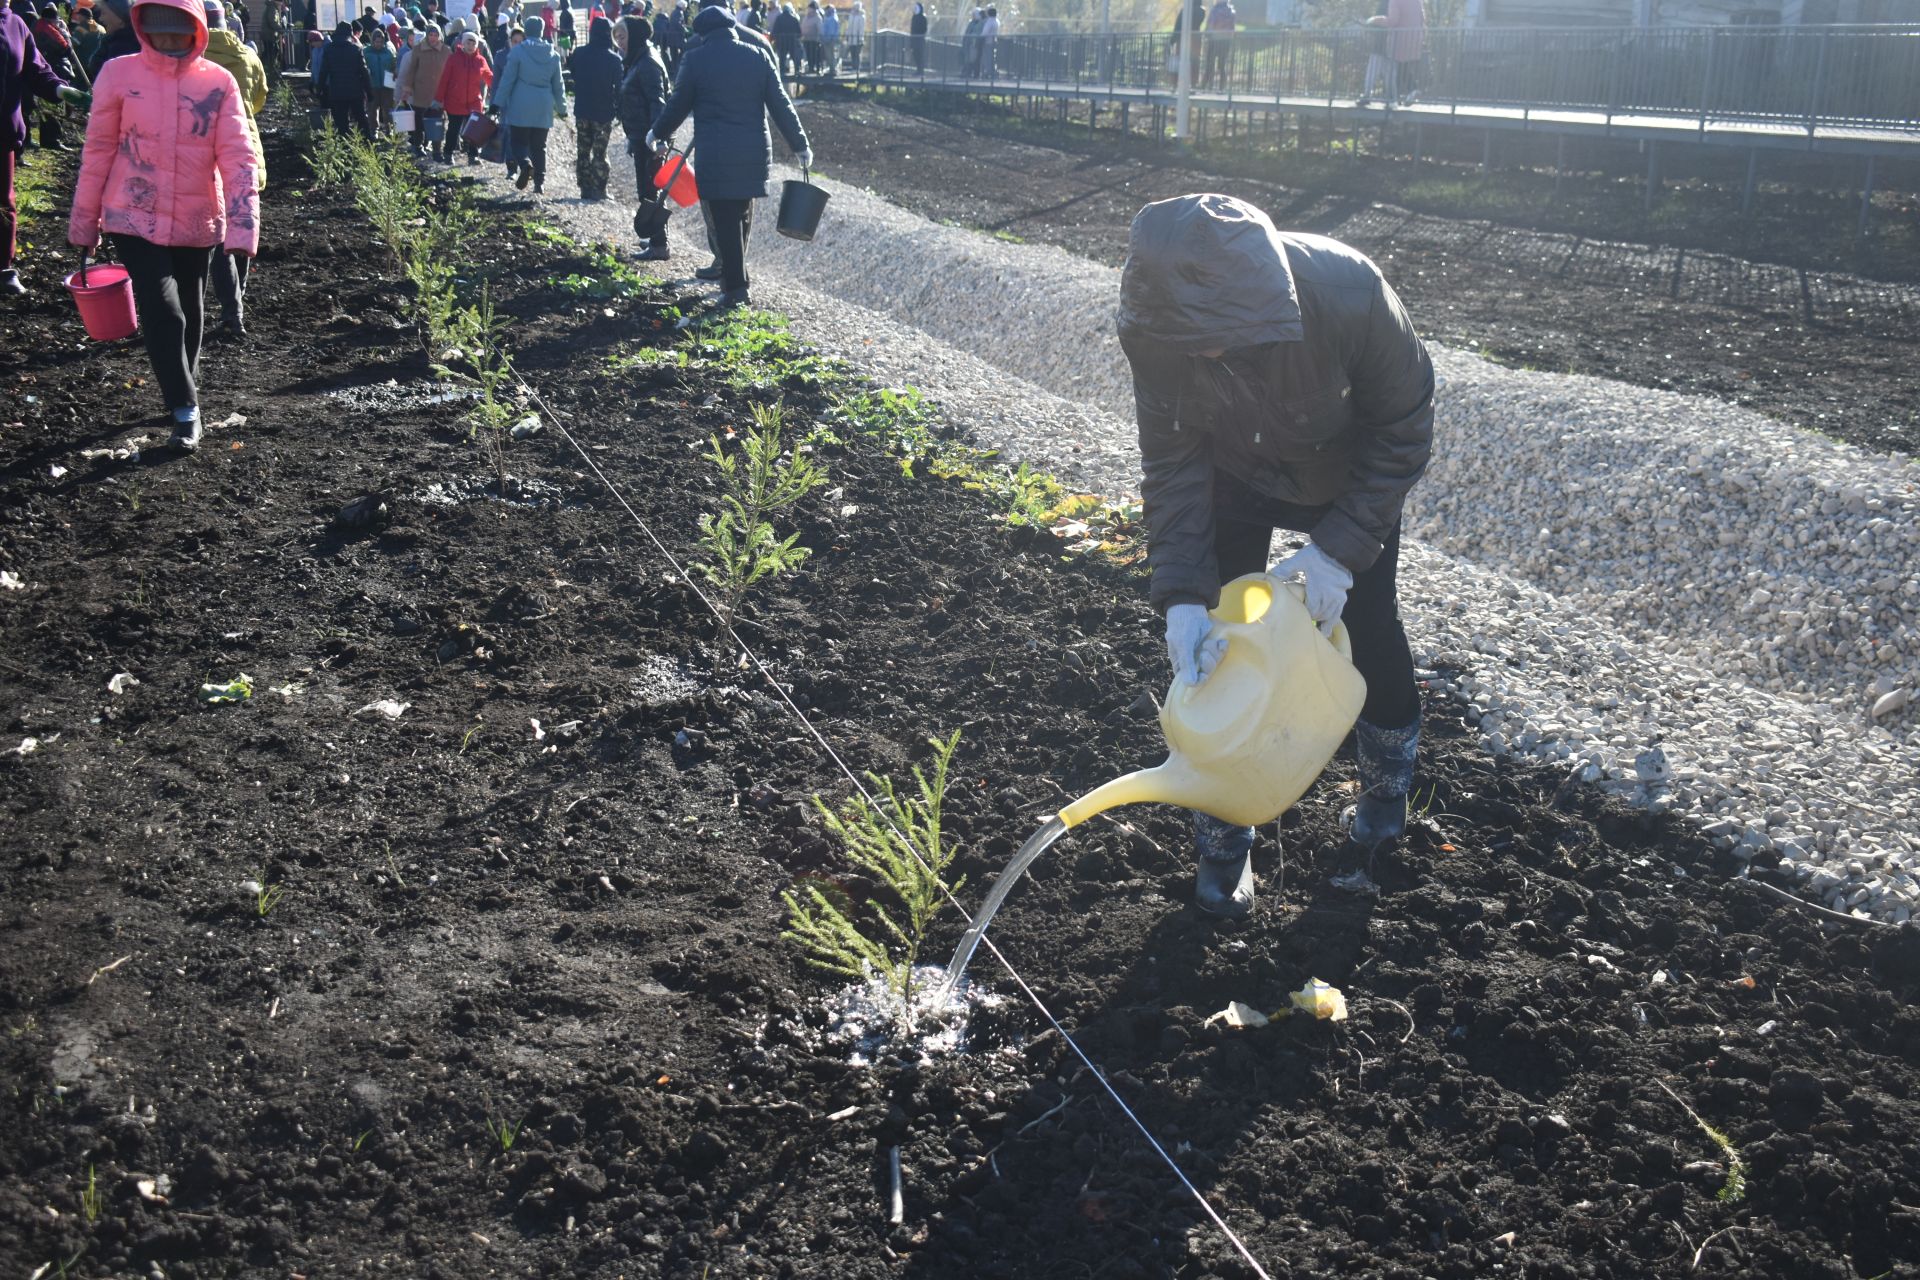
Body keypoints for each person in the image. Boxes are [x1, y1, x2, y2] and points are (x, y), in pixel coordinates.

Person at [1117, 193, 1432, 916]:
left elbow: (1404, 433)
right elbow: (1172, 463)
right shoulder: (1155, 325)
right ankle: (1224, 837)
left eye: (1217, 340)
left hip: (1346, 478)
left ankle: (1386, 791)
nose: (1204, 356)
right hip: (1234, 476)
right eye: (1189, 344)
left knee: (1373, 629)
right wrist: (1184, 599)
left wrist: (1337, 554)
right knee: (1221, 652)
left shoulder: (1349, 296)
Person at [69, 0, 259, 447]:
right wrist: (86, 221)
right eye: (161, 34)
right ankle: (185, 408)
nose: (171, 43)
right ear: (144, 30)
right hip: (131, 211)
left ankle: (180, 386)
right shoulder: (119, 74)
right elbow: (97, 150)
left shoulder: (218, 82)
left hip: (196, 217)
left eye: (180, 34)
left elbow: (238, 158)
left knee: (190, 311)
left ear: (197, 31)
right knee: (162, 308)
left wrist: (243, 224)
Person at [645, 0, 806, 309]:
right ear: (732, 28)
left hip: (717, 154)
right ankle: (737, 278)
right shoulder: (757, 55)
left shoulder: (695, 60)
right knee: (741, 215)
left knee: (725, 220)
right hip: (754, 154)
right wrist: (801, 145)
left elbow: (677, 105)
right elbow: (781, 104)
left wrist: (656, 132)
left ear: (703, 33)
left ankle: (735, 290)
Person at [3, 5, 87, 294]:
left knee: (4, 204)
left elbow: (36, 70)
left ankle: (4, 269)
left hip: (3, 133)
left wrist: (61, 90)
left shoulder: (16, 25)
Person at [200, 0, 262, 337]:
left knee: (219, 236)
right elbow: (260, 96)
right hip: (245, 143)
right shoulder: (246, 55)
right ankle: (238, 297)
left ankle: (231, 307)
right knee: (242, 223)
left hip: (207, 153)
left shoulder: (194, 60)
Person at [493, 14, 564, 192]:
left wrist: (497, 103)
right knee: (539, 146)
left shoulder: (518, 52)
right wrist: (562, 109)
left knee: (518, 142)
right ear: (541, 31)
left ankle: (525, 165)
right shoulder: (553, 54)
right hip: (543, 106)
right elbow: (558, 85)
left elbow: (507, 80)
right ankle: (539, 183)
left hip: (520, 104)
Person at [616, 11, 665, 257]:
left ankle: (659, 244)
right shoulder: (636, 59)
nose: (619, 42)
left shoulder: (647, 63)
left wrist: (659, 138)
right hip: (640, 135)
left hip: (650, 138)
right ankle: (656, 239)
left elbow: (657, 102)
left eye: (622, 36)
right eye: (617, 37)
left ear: (634, 36)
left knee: (650, 189)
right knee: (647, 189)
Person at [566, 15, 620, 200]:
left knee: (583, 150)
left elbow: (571, 71)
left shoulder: (579, 53)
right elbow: (619, 87)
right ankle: (600, 188)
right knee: (600, 152)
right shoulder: (614, 59)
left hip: (582, 109)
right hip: (603, 112)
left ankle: (585, 188)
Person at [29, 2, 85, 149]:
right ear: (53, 18)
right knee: (55, 106)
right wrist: (65, 33)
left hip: (46, 68)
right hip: (55, 69)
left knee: (48, 106)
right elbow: (66, 49)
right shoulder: (49, 30)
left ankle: (49, 138)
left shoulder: (37, 26)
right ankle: (52, 140)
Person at [433, 27, 487, 160]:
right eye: (468, 43)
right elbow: (444, 79)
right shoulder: (453, 59)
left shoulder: (480, 60)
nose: (471, 46)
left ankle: (473, 155)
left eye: (473, 43)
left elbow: (488, 76)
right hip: (455, 101)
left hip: (474, 101)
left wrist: (498, 90)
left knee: (473, 130)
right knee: (453, 129)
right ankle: (448, 153)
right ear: (463, 43)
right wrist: (438, 99)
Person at [314, 20, 371, 135]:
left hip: (337, 90)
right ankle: (367, 145)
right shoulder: (356, 49)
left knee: (341, 122)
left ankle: (344, 146)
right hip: (355, 90)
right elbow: (364, 71)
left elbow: (323, 71)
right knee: (361, 119)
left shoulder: (329, 49)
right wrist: (369, 91)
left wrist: (319, 89)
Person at [396, 18, 446, 148]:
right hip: (417, 95)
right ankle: (418, 146)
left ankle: (433, 148)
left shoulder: (443, 53)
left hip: (436, 96)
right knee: (418, 123)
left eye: (436, 35)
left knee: (434, 122)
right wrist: (400, 95)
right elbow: (404, 76)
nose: (433, 38)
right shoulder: (410, 56)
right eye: (430, 35)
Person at [1385, 0, 1421, 102]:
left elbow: (1393, 21)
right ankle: (1410, 91)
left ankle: (1395, 98)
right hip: (1415, 37)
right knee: (1403, 67)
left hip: (1400, 39)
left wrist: (1377, 20)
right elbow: (1422, 18)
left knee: (1398, 68)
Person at [363, 23, 396, 129]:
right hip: (372, 85)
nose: (379, 44)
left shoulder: (388, 52)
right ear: (372, 41)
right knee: (372, 109)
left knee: (388, 109)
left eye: (381, 42)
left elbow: (393, 66)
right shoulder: (366, 52)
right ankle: (374, 129)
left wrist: (394, 72)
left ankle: (389, 129)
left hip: (387, 85)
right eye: (376, 42)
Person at [1201, 0, 1231, 90]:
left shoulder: (1215, 10)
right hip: (1226, 40)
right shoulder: (1230, 11)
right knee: (1222, 65)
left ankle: (1205, 86)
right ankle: (1222, 87)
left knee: (1209, 63)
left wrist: (1206, 34)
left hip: (1214, 40)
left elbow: (1210, 24)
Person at [766, 0, 794, 76]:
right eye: (770, 2)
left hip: (779, 37)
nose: (770, 4)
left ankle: (783, 68)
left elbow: (777, 26)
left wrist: (774, 34)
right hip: (773, 36)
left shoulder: (779, 13)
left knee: (782, 54)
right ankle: (778, 67)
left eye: (772, 2)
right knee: (778, 54)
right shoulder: (769, 12)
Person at [839, 0, 858, 72]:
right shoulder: (845, 21)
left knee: (853, 54)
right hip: (847, 39)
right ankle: (843, 67)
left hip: (851, 39)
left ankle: (855, 68)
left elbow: (847, 30)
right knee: (844, 54)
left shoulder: (847, 22)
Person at [959, 6, 978, 76]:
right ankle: (966, 72)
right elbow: (967, 32)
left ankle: (969, 72)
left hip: (972, 44)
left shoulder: (978, 24)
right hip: (967, 43)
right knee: (966, 58)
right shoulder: (971, 23)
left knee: (971, 58)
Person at [817, 1, 834, 74]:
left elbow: (831, 30)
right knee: (827, 55)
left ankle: (832, 69)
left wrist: (827, 39)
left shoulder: (832, 19)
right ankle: (830, 69)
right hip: (826, 39)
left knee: (830, 55)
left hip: (829, 40)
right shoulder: (828, 18)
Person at [978, 3, 995, 78]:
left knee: (987, 58)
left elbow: (985, 32)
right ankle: (990, 71)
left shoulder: (989, 22)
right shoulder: (996, 21)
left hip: (987, 42)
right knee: (991, 57)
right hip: (993, 41)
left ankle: (987, 73)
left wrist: (980, 37)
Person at [907, 0, 923, 71]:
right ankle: (918, 69)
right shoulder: (914, 17)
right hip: (914, 40)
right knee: (915, 55)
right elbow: (912, 28)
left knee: (920, 55)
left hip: (919, 41)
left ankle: (920, 70)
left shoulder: (923, 18)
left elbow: (924, 29)